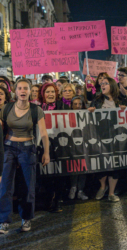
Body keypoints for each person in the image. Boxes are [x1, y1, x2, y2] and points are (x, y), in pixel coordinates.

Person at [0, 79, 50, 233]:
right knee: (5, 186)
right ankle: (4, 221)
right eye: (20, 88)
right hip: (8, 148)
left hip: (28, 149)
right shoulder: (6, 108)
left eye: (25, 88)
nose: (22, 91)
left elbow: (43, 134)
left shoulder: (36, 110)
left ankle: (26, 219)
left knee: (28, 186)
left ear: (30, 91)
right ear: (15, 91)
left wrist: (46, 152)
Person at [88, 77, 125, 202]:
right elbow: (90, 117)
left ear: (112, 85)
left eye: (105, 83)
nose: (102, 85)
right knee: (102, 163)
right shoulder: (97, 100)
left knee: (115, 165)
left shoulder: (120, 100)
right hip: (101, 137)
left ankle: (111, 193)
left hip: (116, 137)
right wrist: (91, 111)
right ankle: (102, 187)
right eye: (101, 84)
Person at [38, 83, 69, 212]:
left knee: (59, 174)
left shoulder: (63, 106)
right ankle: (49, 197)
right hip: (43, 145)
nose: (50, 94)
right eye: (47, 92)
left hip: (59, 145)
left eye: (53, 92)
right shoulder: (37, 108)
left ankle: (58, 200)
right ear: (43, 94)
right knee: (46, 174)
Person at [68, 96, 88, 200]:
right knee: (74, 168)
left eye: (79, 104)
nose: (77, 106)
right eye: (75, 104)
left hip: (83, 146)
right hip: (73, 147)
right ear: (71, 106)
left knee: (83, 168)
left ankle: (80, 190)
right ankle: (73, 188)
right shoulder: (66, 115)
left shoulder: (86, 115)